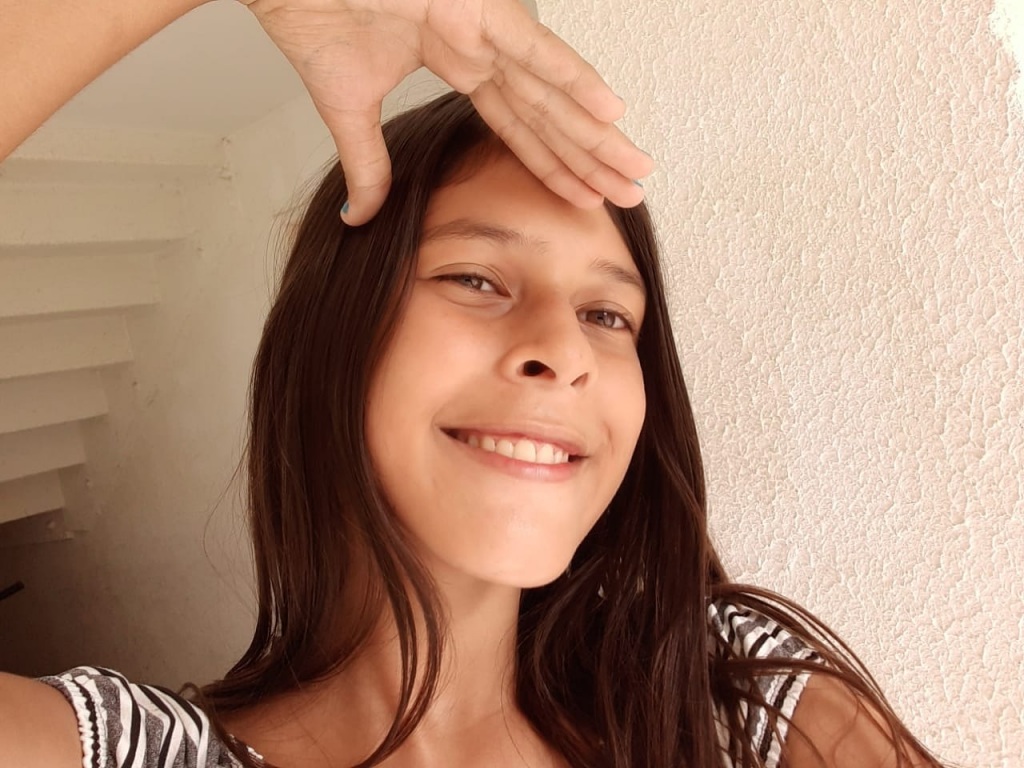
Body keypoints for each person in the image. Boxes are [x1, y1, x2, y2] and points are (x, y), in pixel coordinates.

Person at [0, 2, 945, 768]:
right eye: (477, 280)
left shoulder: (725, 699)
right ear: (335, 337)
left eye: (607, 314)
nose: (563, 351)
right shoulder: (139, 753)